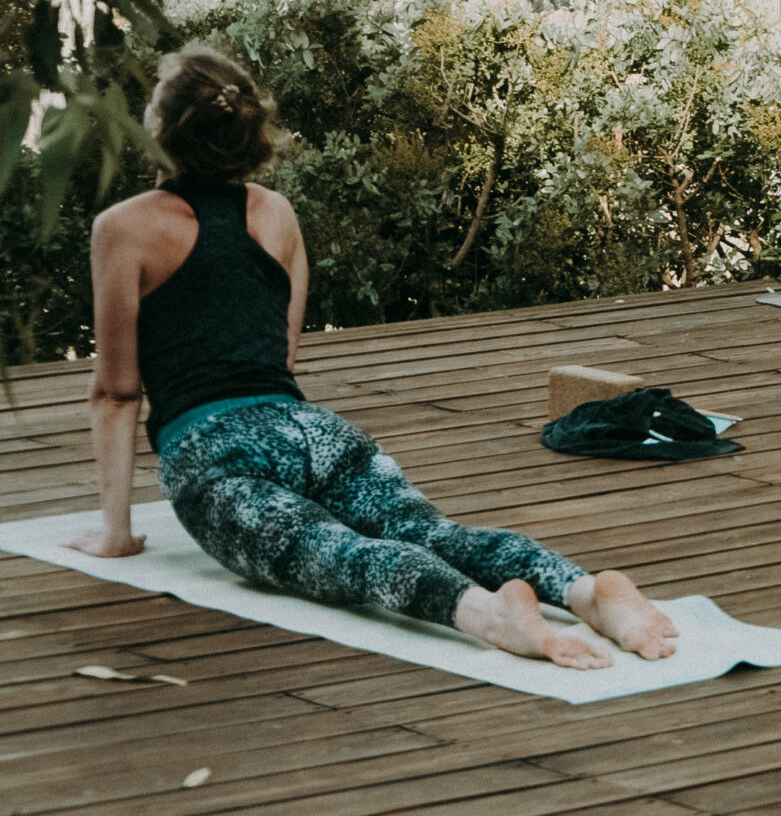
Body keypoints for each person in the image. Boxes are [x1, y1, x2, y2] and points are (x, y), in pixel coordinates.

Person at [75, 46, 678, 669]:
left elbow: (117, 393)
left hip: (214, 453)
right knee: (436, 533)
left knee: (340, 554)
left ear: (159, 128)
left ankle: (484, 612)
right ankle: (585, 591)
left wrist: (118, 534)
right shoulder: (275, 213)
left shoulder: (125, 227)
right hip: (313, 431)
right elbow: (278, 354)